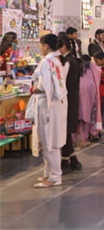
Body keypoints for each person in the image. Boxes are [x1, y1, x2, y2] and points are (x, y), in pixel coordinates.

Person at [29, 34, 69, 188]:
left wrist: (33, 88)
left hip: (47, 103)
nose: (40, 48)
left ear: (45, 46)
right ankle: (49, 173)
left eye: (40, 45)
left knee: (48, 139)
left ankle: (54, 176)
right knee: (52, 139)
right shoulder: (59, 60)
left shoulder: (47, 62)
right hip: (58, 103)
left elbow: (45, 86)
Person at [56, 34, 82, 172]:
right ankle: (74, 161)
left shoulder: (69, 62)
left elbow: (69, 85)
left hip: (69, 100)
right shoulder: (69, 60)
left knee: (65, 132)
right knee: (65, 131)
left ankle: (65, 163)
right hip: (69, 99)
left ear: (63, 47)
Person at [77, 54, 102, 144]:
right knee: (87, 114)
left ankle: (73, 140)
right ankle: (84, 139)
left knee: (78, 114)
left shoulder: (78, 66)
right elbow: (99, 72)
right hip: (90, 90)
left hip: (77, 89)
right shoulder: (92, 66)